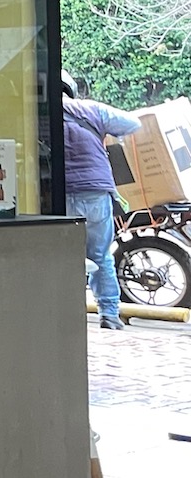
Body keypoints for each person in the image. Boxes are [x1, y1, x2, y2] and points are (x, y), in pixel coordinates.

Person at [63, 71, 142, 331]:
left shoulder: (33, 115)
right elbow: (133, 124)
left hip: (60, 195)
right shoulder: (90, 110)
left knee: (63, 257)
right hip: (96, 193)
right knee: (99, 255)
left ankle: (67, 315)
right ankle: (109, 314)